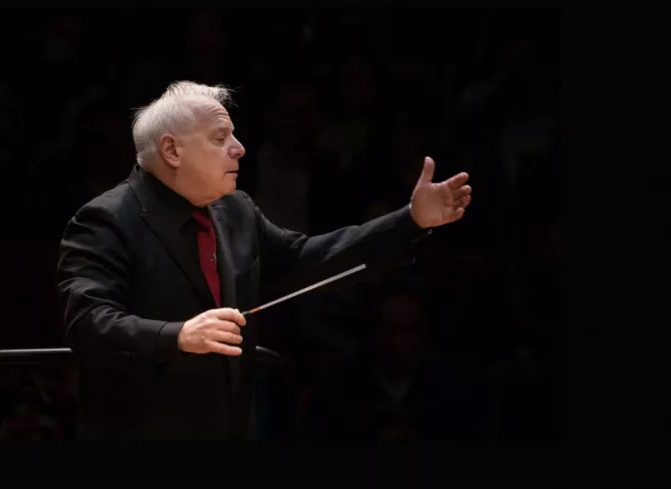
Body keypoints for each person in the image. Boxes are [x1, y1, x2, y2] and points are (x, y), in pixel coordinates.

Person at [55, 81, 473, 440]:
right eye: (220, 138)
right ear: (172, 150)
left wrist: (410, 220)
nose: (239, 149)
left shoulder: (235, 211)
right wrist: (177, 335)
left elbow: (311, 259)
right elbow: (88, 322)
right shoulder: (106, 220)